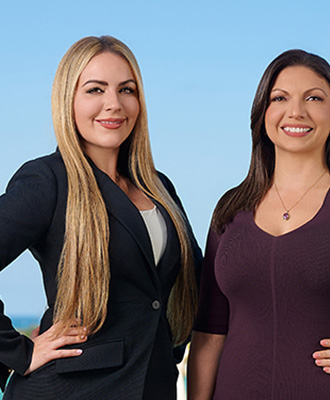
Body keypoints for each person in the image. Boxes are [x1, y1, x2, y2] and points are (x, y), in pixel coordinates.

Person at [187, 49, 330, 399]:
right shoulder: (230, 209)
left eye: (313, 98)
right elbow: (210, 333)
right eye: (280, 98)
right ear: (263, 113)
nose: (296, 111)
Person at [0, 35, 201, 400]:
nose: (114, 104)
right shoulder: (47, 181)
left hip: (153, 385)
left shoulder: (160, 188)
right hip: (69, 390)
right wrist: (19, 352)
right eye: (95, 89)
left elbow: (199, 284)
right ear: (69, 100)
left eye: (127, 90)